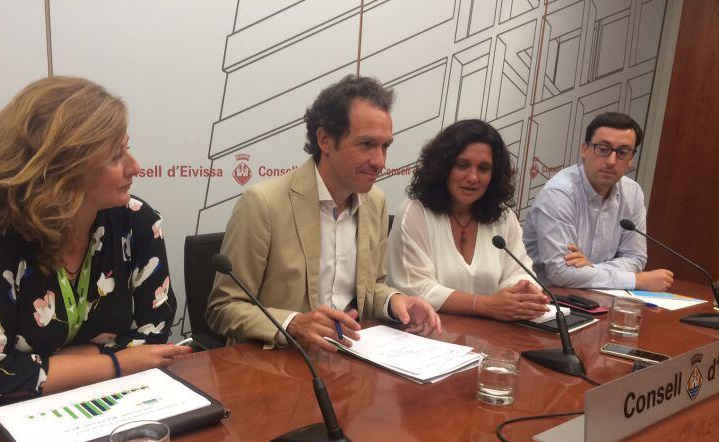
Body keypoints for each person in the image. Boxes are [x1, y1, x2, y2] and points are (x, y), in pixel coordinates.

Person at [0, 76, 189, 405]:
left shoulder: (138, 222)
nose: (135, 167)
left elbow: (154, 336)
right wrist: (114, 362)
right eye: (115, 156)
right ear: (62, 170)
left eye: (127, 149)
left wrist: (61, 365)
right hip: (20, 420)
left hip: (119, 404)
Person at [207, 75, 442, 351]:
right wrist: (293, 324)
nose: (380, 161)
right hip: (276, 363)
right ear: (325, 140)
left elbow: (372, 287)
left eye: (385, 146)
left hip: (348, 358)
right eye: (366, 144)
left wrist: (396, 302)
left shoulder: (375, 202)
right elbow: (224, 307)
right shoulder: (263, 203)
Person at [387, 119, 548, 321]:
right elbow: (416, 288)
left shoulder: (504, 217)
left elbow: (518, 272)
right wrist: (486, 305)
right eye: (462, 166)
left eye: (483, 168)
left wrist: (525, 290)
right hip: (426, 336)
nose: (473, 178)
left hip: (491, 338)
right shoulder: (415, 213)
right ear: (443, 168)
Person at [522, 111, 673, 290]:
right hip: (549, 299)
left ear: (631, 158)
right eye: (603, 149)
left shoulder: (632, 193)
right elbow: (560, 273)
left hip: (599, 297)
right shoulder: (559, 193)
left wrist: (591, 268)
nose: (611, 161)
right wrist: (636, 280)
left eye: (623, 152)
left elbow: (635, 258)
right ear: (585, 150)